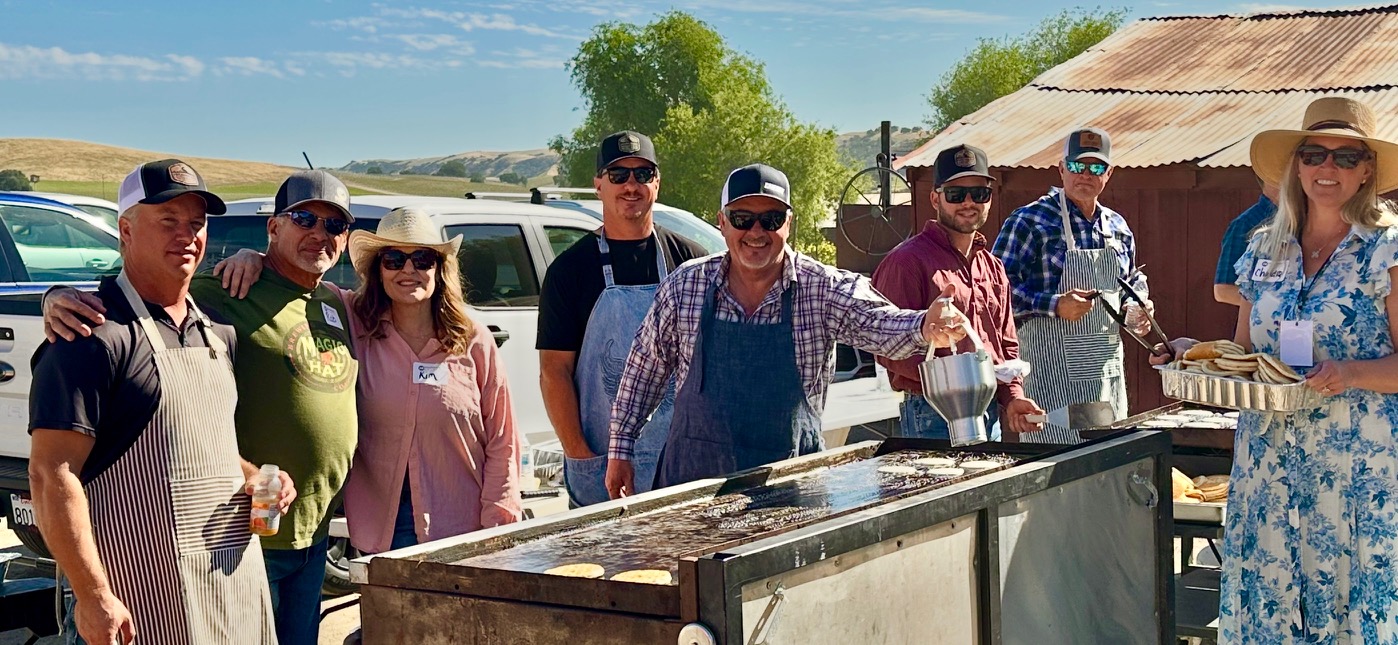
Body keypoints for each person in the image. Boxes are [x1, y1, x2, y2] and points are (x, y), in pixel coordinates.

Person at [44, 169, 360, 645]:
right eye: (167, 219)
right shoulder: (97, 332)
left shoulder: (216, 325)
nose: (185, 235)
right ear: (125, 230)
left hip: (244, 553)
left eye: (195, 224)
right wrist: (91, 595)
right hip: (133, 587)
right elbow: (51, 474)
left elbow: (194, 435)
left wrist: (250, 474)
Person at [603, 164, 970, 498]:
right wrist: (621, 448)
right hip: (693, 489)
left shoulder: (821, 288)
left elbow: (878, 323)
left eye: (771, 218)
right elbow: (644, 370)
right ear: (722, 222)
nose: (757, 232)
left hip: (790, 491)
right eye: (743, 218)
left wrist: (924, 325)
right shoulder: (685, 287)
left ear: (789, 223)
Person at [213, 208, 524, 553]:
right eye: (393, 259)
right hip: (382, 529)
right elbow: (297, 278)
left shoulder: (472, 339)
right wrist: (253, 257)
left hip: (462, 526)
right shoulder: (353, 320)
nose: (409, 270)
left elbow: (503, 438)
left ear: (439, 268)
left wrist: (498, 519)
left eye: (422, 259)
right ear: (378, 270)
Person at [1217, 96, 1398, 641]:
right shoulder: (1261, 248)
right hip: (1266, 469)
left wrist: (1351, 373)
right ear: (1296, 164)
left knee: (1348, 610)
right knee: (1269, 609)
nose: (1328, 168)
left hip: (1354, 473)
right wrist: (1186, 354)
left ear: (1367, 170)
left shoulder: (1386, 249)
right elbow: (1246, 353)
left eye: (1346, 158)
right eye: (1315, 154)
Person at [536, 131, 708, 506]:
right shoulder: (570, 271)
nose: (632, 185)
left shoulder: (692, 262)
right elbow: (554, 372)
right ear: (598, 184)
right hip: (604, 470)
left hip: (683, 468)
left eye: (643, 175)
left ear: (657, 184)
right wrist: (580, 454)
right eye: (619, 175)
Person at [992, 127, 1153, 443]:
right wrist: (1053, 304)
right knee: (1052, 472)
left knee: (1104, 465)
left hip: (1105, 380)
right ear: (1062, 168)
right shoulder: (1029, 221)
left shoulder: (1117, 227)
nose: (1085, 175)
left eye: (1096, 168)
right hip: (1048, 385)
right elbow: (995, 295)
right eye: (1078, 166)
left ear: (1108, 173)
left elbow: (1133, 281)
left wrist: (1139, 306)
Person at [873, 144, 1044, 441]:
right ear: (935, 199)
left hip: (989, 411)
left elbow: (1005, 347)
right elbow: (884, 344)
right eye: (956, 194)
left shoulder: (992, 267)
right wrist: (958, 378)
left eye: (979, 194)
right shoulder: (907, 262)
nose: (968, 202)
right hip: (932, 413)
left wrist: (1012, 396)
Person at [1214, 180, 1279, 307]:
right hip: (1262, 324)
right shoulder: (1245, 224)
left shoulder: (1304, 219)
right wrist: (1275, 307)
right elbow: (1224, 290)